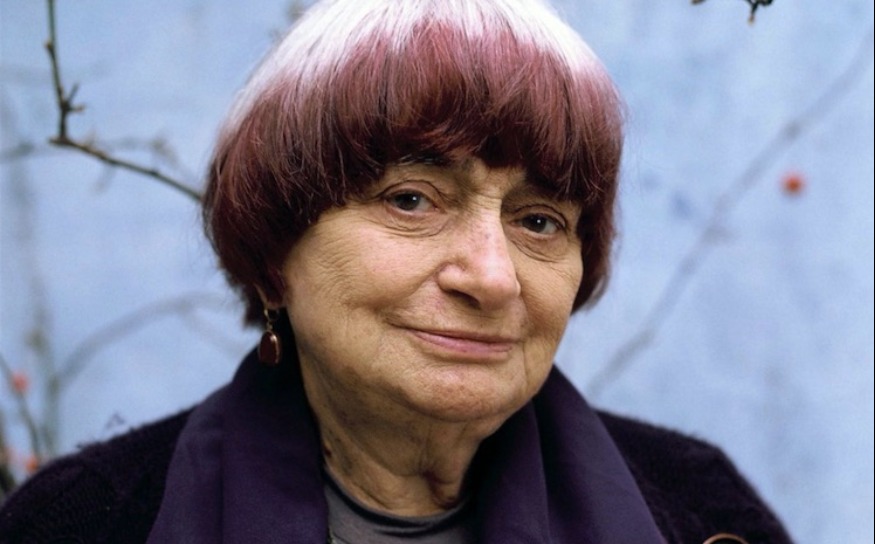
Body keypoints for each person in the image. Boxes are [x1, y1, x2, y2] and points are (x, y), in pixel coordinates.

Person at [0, 1, 794, 543]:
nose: (492, 277)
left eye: (538, 220)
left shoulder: (700, 509)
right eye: (411, 200)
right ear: (273, 258)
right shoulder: (87, 522)